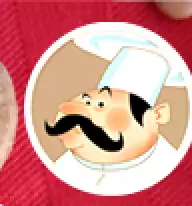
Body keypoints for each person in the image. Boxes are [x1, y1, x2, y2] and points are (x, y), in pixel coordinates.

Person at [46, 46, 180, 194]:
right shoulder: (65, 165)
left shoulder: (164, 166)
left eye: (101, 105)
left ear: (158, 115)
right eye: (86, 101)